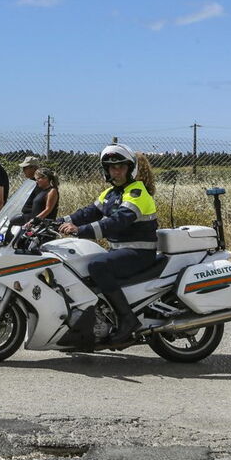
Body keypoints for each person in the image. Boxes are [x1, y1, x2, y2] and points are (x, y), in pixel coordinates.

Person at [57, 144, 158, 344]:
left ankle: (128, 319)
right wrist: (59, 221)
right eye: (112, 167)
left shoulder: (136, 193)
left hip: (139, 254)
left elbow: (116, 222)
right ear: (107, 170)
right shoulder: (111, 193)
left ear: (131, 169)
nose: (116, 171)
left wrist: (80, 230)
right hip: (122, 251)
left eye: (121, 166)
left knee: (97, 266)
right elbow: (88, 213)